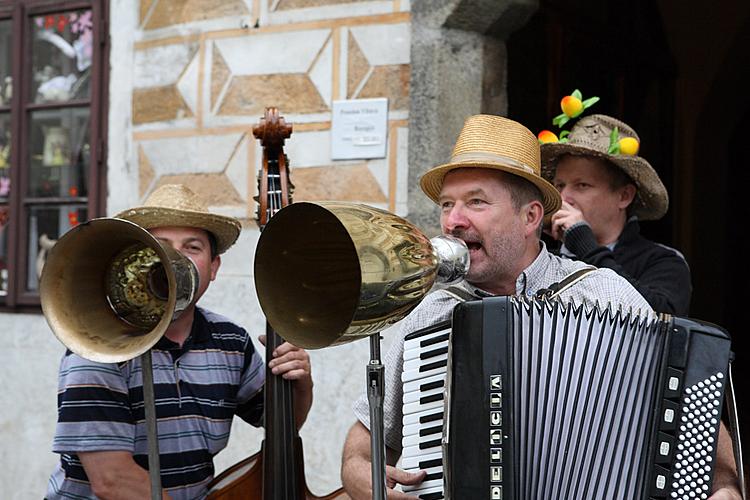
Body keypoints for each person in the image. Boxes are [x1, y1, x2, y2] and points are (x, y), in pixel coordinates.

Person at [339, 115, 741, 499]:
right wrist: (363, 478)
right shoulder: (433, 314)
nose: (453, 221)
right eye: (447, 205)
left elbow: (693, 409)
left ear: (531, 217)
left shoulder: (602, 294)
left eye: (476, 202)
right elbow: (362, 447)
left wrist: (726, 486)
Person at [46, 184, 314, 499]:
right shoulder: (99, 342)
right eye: (160, 245)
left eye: (192, 247)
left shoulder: (231, 341)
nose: (175, 258)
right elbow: (112, 480)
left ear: (213, 268)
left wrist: (301, 384)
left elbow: (281, 424)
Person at [541, 114, 692, 315]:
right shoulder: (543, 256)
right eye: (559, 185)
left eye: (582, 185)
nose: (563, 197)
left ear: (624, 196)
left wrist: (585, 245)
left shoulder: (663, 261)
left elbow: (659, 319)